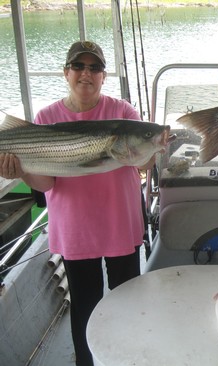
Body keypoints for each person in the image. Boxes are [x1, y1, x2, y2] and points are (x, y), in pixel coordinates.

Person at [0, 41, 165, 366]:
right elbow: (45, 182)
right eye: (79, 66)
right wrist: (19, 172)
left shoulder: (123, 113)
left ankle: (125, 359)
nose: (86, 74)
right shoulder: (47, 116)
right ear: (67, 72)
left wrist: (153, 145)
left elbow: (144, 165)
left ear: (104, 76)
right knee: (85, 304)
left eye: (95, 68)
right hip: (76, 229)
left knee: (127, 300)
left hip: (120, 224)